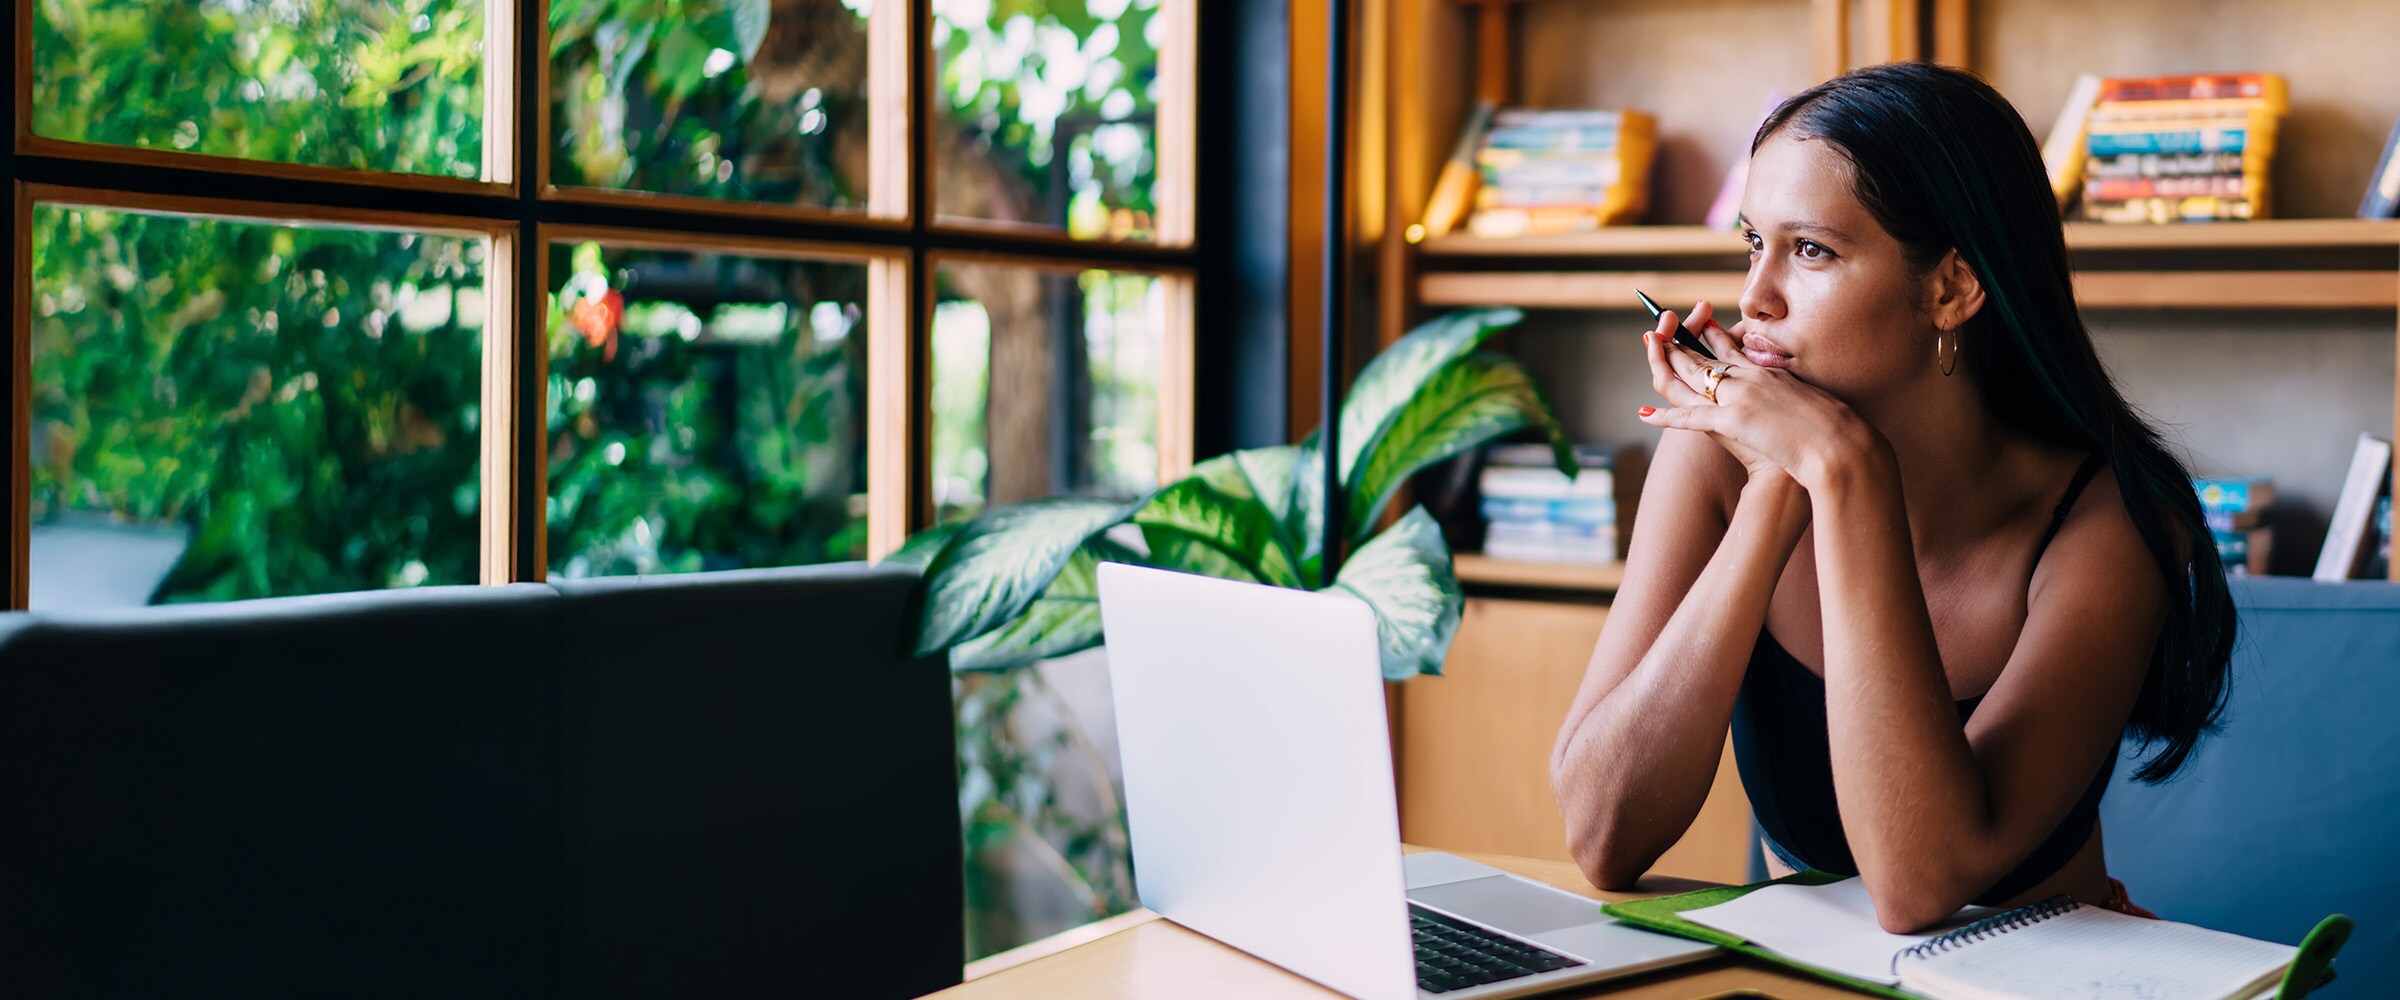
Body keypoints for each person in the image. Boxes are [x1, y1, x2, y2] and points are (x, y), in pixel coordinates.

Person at [1548, 62, 2231, 933]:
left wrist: (1844, 470)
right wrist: (1773, 493)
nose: (1755, 299)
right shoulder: (1719, 466)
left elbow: (1918, 887)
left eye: (1812, 251)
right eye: (1754, 243)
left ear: (1952, 288)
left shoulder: (2113, 525)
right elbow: (1603, 835)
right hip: (1801, 982)